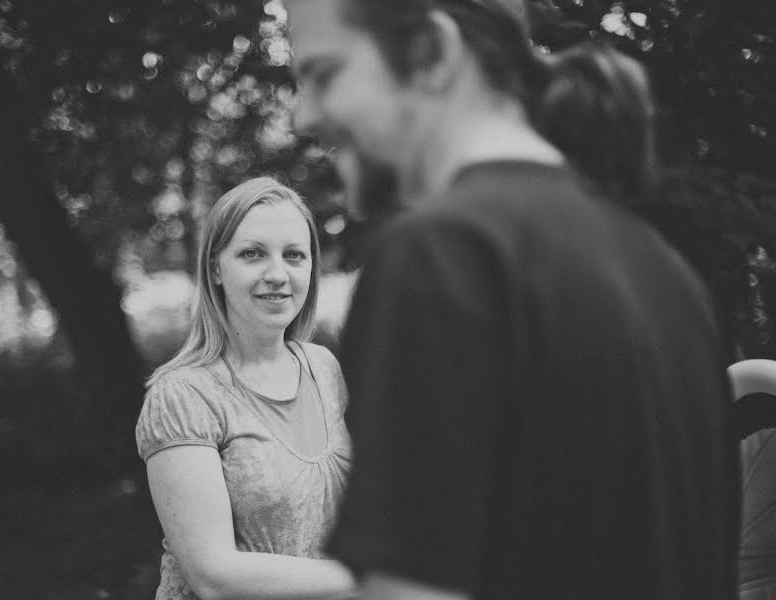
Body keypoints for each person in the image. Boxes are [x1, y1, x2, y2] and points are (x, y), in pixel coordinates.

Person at [284, 1, 740, 599]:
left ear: (430, 53)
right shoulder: (664, 268)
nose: (301, 116)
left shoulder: (443, 255)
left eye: (324, 75)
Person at [135, 177, 358, 600]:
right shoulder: (183, 397)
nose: (277, 274)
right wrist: (371, 578)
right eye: (252, 254)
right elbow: (214, 577)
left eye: (294, 255)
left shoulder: (324, 368)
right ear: (215, 268)